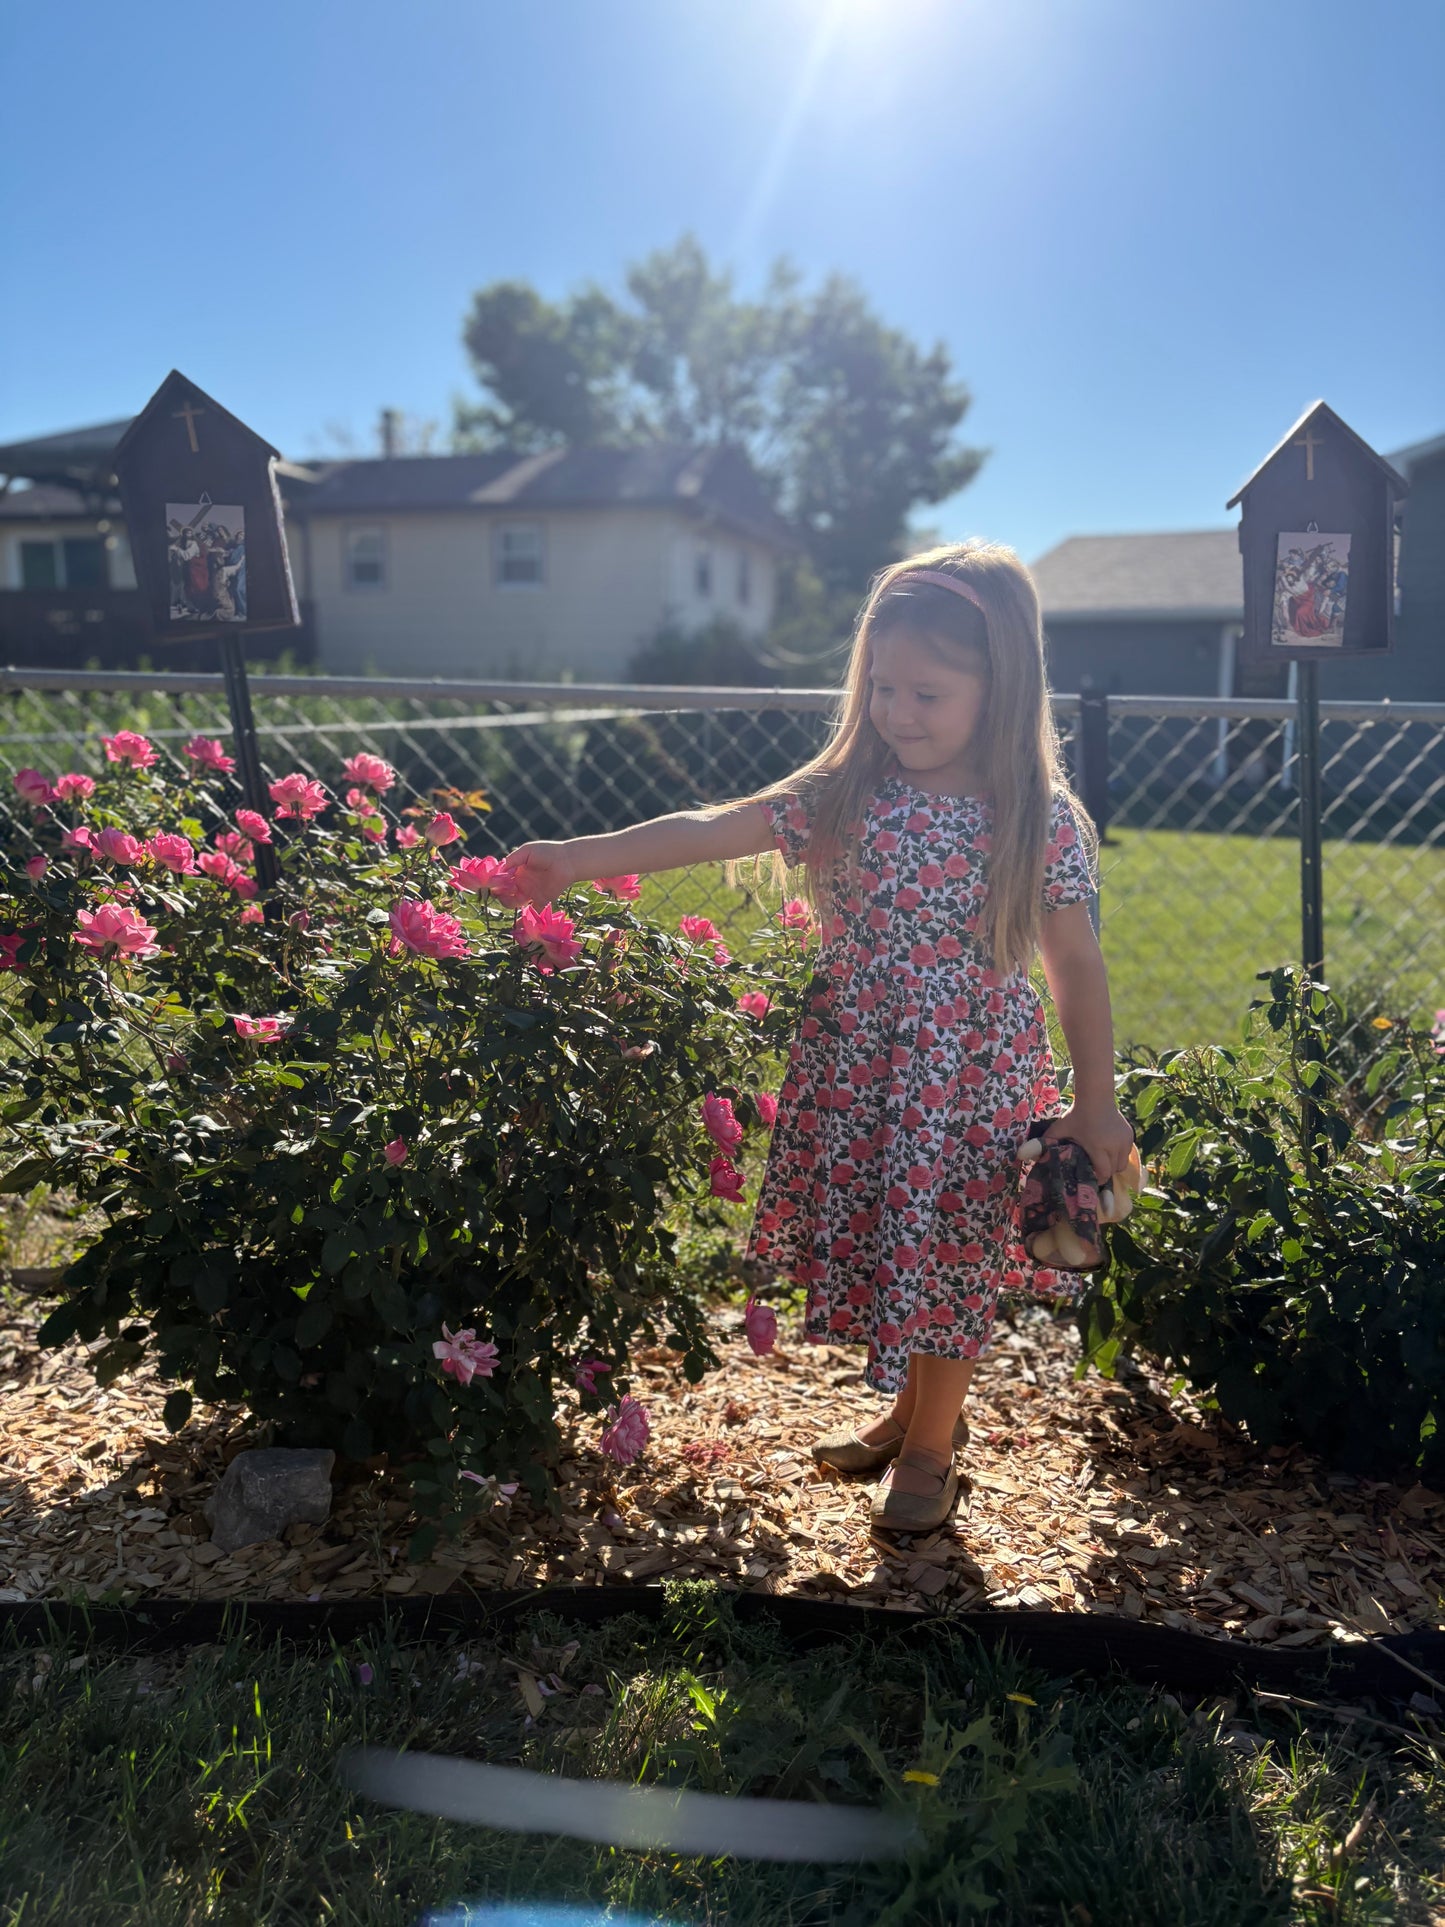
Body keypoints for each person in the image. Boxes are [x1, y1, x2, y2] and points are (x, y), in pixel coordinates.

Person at [503, 541, 1134, 1533]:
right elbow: (712, 826)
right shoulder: (850, 789)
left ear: (999, 687)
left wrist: (1096, 1103)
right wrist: (577, 859)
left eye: (926, 693)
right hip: (862, 1069)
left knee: (947, 1254)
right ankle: (915, 1415)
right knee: (899, 1240)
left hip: (969, 1079)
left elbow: (1075, 964)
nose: (895, 712)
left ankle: (929, 1452)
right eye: (880, 686)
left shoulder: (1033, 816)